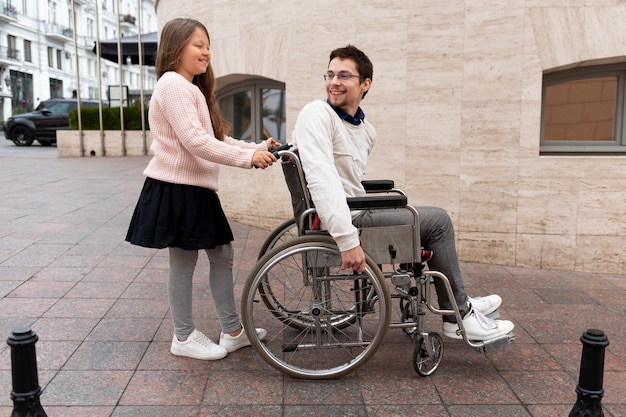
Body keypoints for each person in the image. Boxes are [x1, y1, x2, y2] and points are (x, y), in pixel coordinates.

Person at [291, 45, 514, 341]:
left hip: (353, 210)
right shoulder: (317, 114)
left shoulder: (366, 130)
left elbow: (349, 180)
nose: (333, 82)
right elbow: (322, 179)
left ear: (365, 84)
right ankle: (457, 314)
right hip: (343, 220)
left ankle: (458, 301)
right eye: (330, 74)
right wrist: (347, 239)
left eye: (344, 75)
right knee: (438, 221)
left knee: (419, 216)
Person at [126, 18, 278, 360]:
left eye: (208, 45)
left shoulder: (189, 88)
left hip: (192, 188)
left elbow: (215, 139)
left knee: (220, 255)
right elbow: (196, 142)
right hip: (177, 187)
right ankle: (183, 337)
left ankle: (232, 330)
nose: (206, 51)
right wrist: (247, 159)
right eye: (198, 44)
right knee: (184, 262)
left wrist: (256, 147)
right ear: (176, 47)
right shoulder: (173, 85)